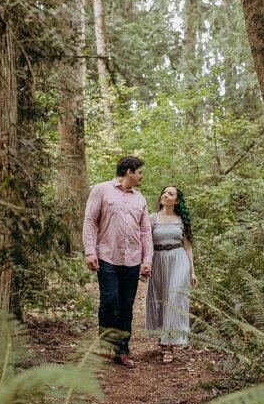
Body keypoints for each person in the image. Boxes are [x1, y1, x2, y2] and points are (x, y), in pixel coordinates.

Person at [82, 156, 153, 368]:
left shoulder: (140, 199)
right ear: (129, 172)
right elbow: (90, 220)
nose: (142, 176)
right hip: (106, 256)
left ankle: (122, 350)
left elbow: (145, 230)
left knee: (126, 306)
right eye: (140, 172)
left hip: (132, 259)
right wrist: (89, 251)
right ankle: (105, 343)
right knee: (109, 301)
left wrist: (147, 260)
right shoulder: (101, 190)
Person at [145, 186, 198, 363]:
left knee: (174, 300)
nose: (165, 195)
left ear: (176, 201)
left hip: (178, 260)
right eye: (164, 192)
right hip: (158, 260)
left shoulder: (181, 220)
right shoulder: (152, 219)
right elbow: (145, 244)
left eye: (170, 194)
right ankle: (163, 336)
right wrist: (145, 263)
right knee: (161, 300)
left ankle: (169, 347)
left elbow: (188, 248)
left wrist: (192, 272)